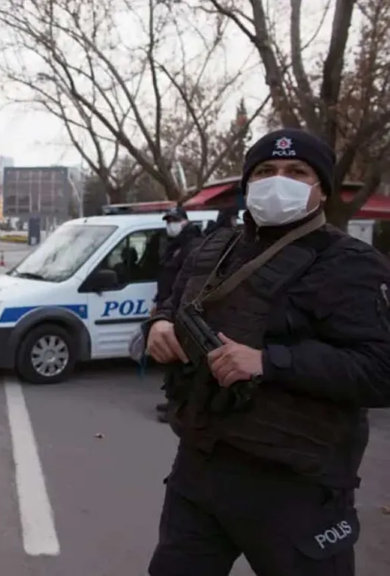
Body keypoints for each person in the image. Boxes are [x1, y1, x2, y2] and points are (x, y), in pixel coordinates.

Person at [144, 128, 390, 575]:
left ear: (321, 189)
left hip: (295, 485)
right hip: (200, 467)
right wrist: (159, 324)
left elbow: (380, 371)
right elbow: (174, 304)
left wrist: (268, 362)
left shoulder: (351, 263)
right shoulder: (214, 248)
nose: (279, 181)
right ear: (247, 183)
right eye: (265, 171)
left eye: (296, 172)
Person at [153, 206, 203, 422]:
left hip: (182, 310)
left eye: (173, 220)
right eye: (167, 221)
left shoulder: (192, 245)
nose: (169, 225)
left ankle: (180, 408)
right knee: (172, 364)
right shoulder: (174, 244)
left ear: (184, 221)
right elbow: (166, 276)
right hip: (168, 307)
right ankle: (172, 400)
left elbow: (187, 282)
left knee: (183, 361)